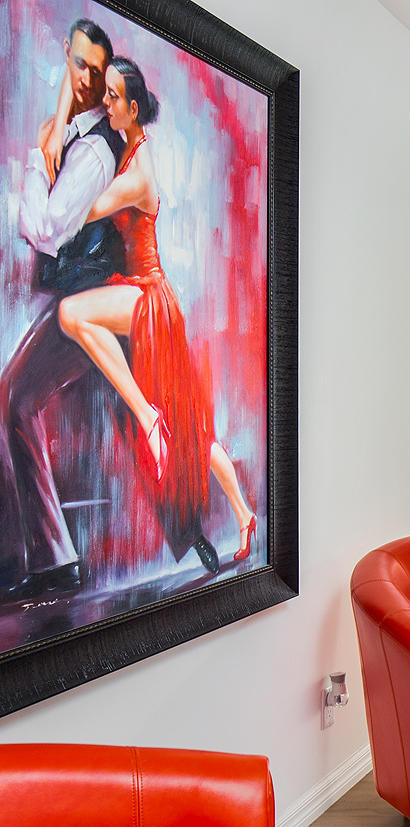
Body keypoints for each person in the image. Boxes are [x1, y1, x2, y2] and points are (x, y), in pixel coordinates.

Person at [54, 57, 258, 568]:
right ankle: (244, 513)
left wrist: (58, 139)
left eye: (113, 97)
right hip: (150, 298)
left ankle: (148, 418)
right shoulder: (131, 151)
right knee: (192, 432)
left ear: (133, 106)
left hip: (148, 300)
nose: (105, 103)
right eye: (104, 94)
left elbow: (77, 210)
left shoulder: (136, 173)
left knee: (72, 314)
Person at [0, 18, 127, 598]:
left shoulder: (95, 150)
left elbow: (46, 230)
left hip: (93, 307)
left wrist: (37, 156)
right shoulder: (76, 130)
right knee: (15, 397)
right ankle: (54, 559)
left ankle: (56, 562)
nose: (84, 81)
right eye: (77, 64)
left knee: (16, 397)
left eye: (95, 73)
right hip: (80, 300)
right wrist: (54, 129)